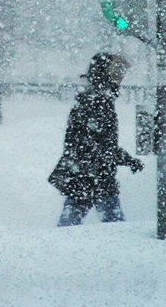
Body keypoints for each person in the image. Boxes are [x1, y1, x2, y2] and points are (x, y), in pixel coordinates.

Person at [48, 52, 144, 226]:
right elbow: (98, 145)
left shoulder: (94, 99)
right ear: (104, 73)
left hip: (86, 174)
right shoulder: (98, 102)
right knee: (114, 225)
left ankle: (60, 246)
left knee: (72, 221)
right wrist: (124, 159)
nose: (121, 76)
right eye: (116, 71)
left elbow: (95, 144)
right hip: (93, 175)